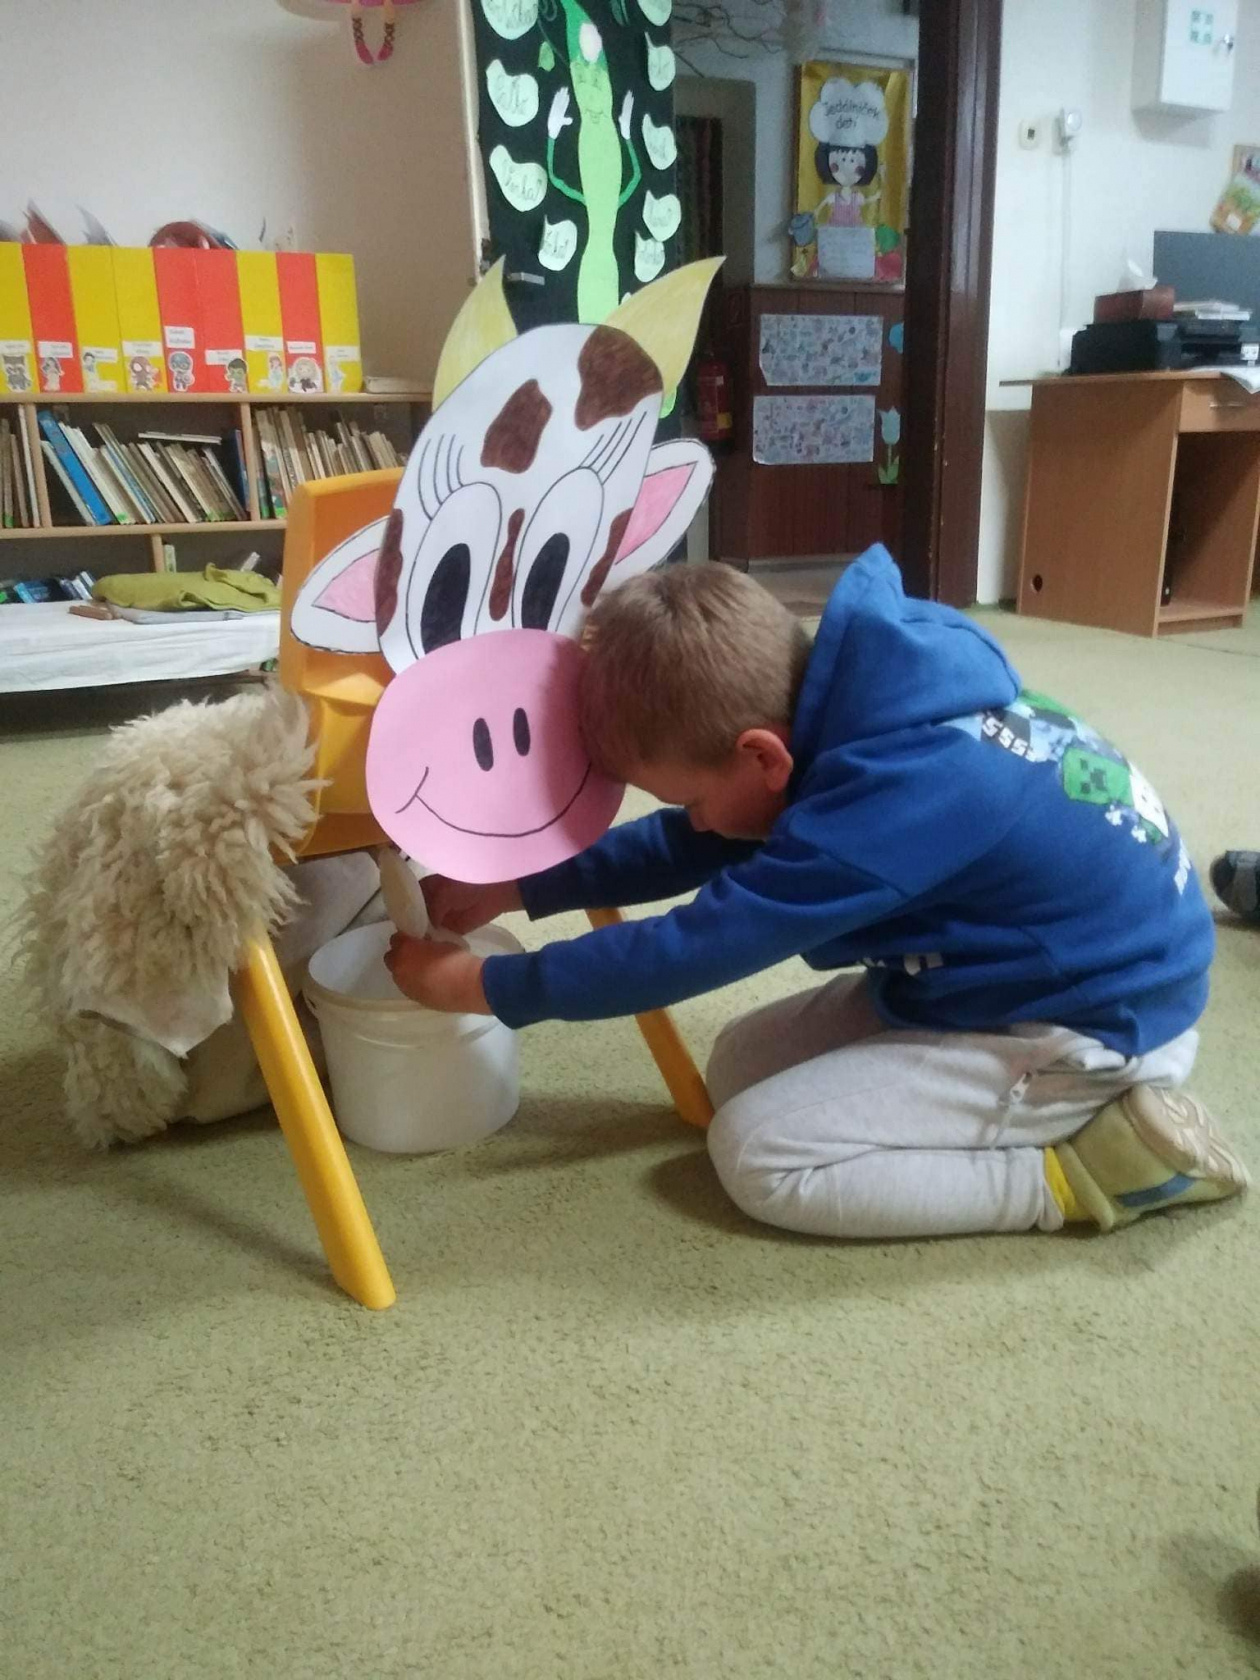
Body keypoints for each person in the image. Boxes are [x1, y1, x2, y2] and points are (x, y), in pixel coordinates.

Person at [385, 550, 1249, 1240]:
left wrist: (488, 988)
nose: (692, 819)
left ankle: (1081, 1174)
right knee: (735, 1067)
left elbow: (692, 946)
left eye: (690, 798)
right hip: (998, 972)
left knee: (759, 1154)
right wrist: (521, 882)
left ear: (761, 757)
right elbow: (693, 841)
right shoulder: (854, 705)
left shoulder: (891, 802)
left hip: (1095, 1020)